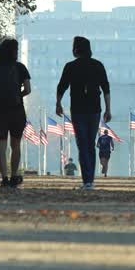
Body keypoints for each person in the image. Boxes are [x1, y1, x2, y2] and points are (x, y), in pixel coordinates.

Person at [55, 36, 111, 190]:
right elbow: (106, 89)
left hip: (78, 109)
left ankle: (87, 180)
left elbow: (62, 87)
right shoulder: (98, 65)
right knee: (91, 144)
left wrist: (58, 104)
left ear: (75, 50)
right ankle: (90, 180)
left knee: (82, 144)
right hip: (94, 110)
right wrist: (108, 109)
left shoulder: (70, 66)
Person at [0, 38, 32, 188]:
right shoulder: (20, 68)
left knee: (1, 145)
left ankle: (4, 177)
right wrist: (18, 96)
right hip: (16, 110)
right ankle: (14, 175)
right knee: (16, 144)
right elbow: (28, 89)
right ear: (14, 52)